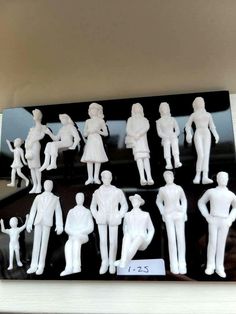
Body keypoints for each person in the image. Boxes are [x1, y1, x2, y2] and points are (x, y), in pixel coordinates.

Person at [198, 171, 236, 278]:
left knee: (221, 244)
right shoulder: (211, 192)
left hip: (224, 220)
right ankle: (210, 265)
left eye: (225, 177)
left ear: (228, 179)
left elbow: (235, 207)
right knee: (212, 242)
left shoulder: (231, 194)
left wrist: (230, 218)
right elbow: (201, 202)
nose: (223, 179)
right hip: (213, 219)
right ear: (217, 179)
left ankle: (219, 266)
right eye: (221, 177)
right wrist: (207, 216)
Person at [90, 170, 128, 274]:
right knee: (102, 241)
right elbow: (93, 206)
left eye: (109, 177)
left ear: (111, 178)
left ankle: (112, 262)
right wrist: (96, 214)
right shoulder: (97, 192)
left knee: (113, 242)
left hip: (113, 217)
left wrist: (119, 215)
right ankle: (104, 261)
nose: (107, 179)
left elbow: (124, 205)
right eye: (105, 177)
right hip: (101, 218)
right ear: (102, 179)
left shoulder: (117, 191)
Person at [26, 180, 63, 275]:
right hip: (38, 221)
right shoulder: (38, 197)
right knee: (36, 243)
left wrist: (59, 225)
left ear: (52, 186)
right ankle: (33, 265)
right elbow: (33, 210)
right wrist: (29, 223)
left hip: (47, 223)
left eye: (50, 185)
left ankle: (41, 265)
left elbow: (58, 213)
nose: (48, 186)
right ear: (43, 186)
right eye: (46, 184)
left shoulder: (55, 199)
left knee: (44, 244)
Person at [156, 171, 187, 274]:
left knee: (181, 239)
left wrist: (183, 211)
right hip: (168, 215)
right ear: (164, 178)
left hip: (179, 214)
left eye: (170, 176)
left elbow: (184, 200)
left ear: (173, 177)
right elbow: (159, 201)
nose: (168, 178)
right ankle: (173, 264)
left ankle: (182, 264)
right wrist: (163, 212)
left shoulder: (179, 188)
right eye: (166, 177)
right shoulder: (162, 189)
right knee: (172, 240)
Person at [185, 97, 219, 184]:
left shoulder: (208, 114)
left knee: (206, 155)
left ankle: (205, 176)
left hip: (207, 133)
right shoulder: (193, 115)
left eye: (202, 101)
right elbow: (188, 126)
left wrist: (216, 134)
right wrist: (188, 134)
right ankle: (197, 175)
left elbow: (212, 126)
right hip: (198, 133)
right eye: (199, 102)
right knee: (201, 155)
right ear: (195, 104)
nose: (201, 103)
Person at [115, 194, 155, 268]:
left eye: (136, 200)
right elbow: (125, 227)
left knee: (139, 237)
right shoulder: (127, 215)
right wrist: (127, 236)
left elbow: (151, 229)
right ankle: (123, 260)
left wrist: (148, 240)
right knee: (126, 235)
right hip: (130, 239)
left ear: (140, 202)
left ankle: (123, 261)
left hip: (142, 241)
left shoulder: (145, 214)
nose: (134, 202)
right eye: (133, 200)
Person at [60, 193, 94, 276]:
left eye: (81, 197)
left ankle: (76, 266)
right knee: (68, 244)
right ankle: (68, 267)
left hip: (83, 236)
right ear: (75, 199)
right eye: (78, 197)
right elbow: (67, 227)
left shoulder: (87, 212)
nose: (79, 199)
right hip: (72, 235)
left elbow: (91, 227)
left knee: (76, 243)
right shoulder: (71, 212)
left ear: (83, 199)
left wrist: (81, 231)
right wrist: (73, 232)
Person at [126, 103, 154, 186]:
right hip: (136, 141)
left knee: (146, 158)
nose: (137, 109)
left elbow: (147, 127)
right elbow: (128, 129)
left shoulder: (144, 119)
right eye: (136, 107)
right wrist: (134, 135)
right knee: (138, 158)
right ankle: (142, 177)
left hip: (143, 141)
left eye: (139, 107)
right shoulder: (130, 119)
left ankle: (149, 177)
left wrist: (139, 133)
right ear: (133, 109)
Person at [81, 103, 108, 185]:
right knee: (89, 159)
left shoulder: (101, 121)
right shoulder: (88, 121)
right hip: (90, 140)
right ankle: (90, 177)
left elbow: (106, 133)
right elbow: (84, 134)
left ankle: (96, 177)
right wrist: (89, 131)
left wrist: (97, 131)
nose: (93, 111)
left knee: (97, 159)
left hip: (97, 140)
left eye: (95, 109)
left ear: (98, 111)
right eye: (91, 109)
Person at [25, 109, 49, 193]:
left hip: (35, 145)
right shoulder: (32, 129)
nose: (33, 116)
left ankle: (39, 185)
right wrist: (27, 144)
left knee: (36, 166)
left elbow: (42, 136)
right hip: (29, 147)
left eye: (35, 114)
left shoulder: (43, 127)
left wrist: (32, 141)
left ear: (38, 116)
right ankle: (34, 185)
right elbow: (28, 138)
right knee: (31, 167)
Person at [156, 102, 182, 169]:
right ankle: (168, 163)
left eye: (166, 107)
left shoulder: (172, 119)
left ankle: (177, 161)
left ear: (168, 109)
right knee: (167, 143)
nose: (165, 109)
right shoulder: (159, 121)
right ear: (161, 110)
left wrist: (174, 134)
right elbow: (159, 133)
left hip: (172, 136)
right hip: (165, 137)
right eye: (163, 108)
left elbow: (177, 130)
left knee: (175, 142)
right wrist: (165, 136)